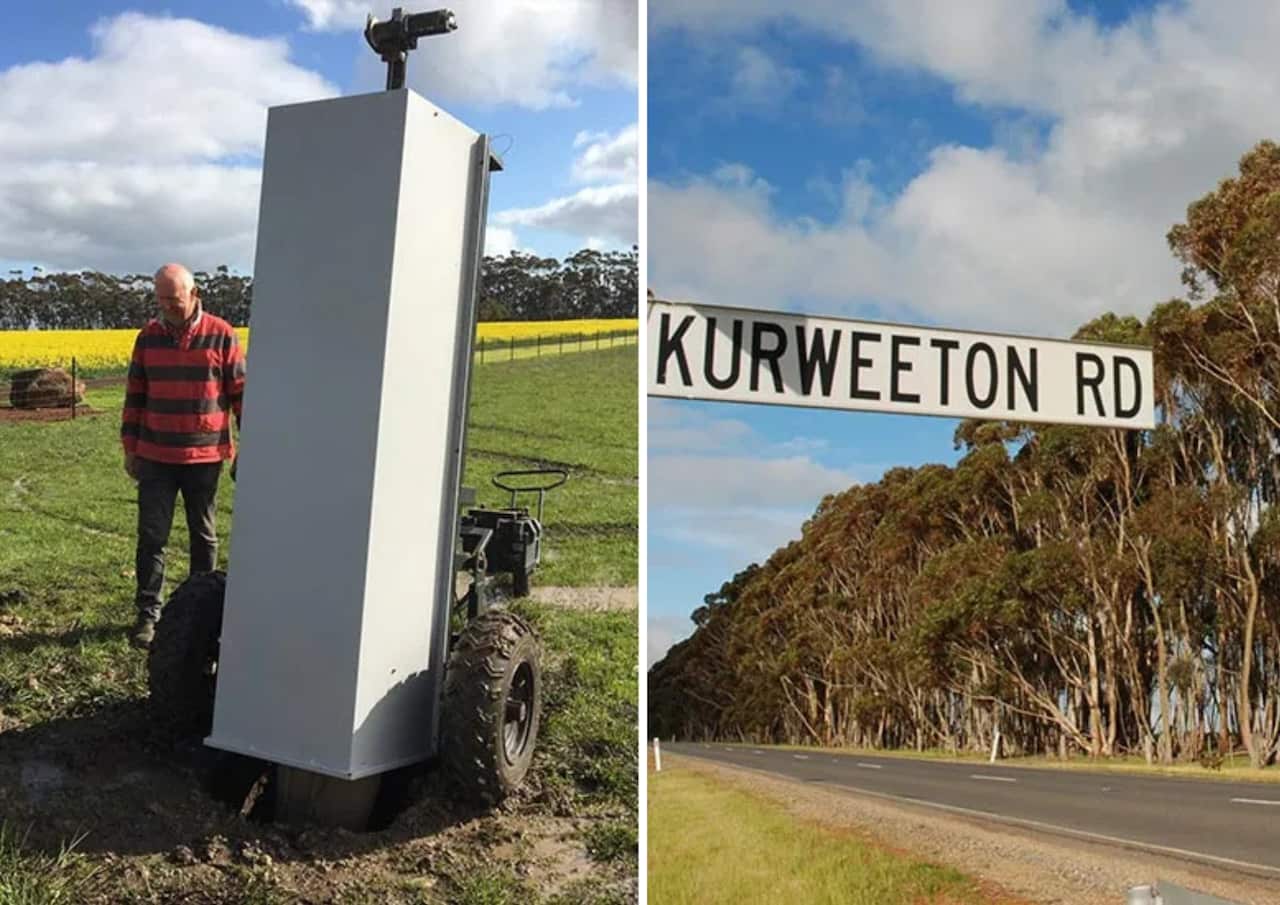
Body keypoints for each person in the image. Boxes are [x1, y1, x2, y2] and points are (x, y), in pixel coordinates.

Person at [121, 263, 245, 649]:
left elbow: (242, 395)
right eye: (160, 299)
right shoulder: (148, 337)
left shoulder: (222, 335)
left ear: (194, 295)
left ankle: (200, 615)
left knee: (203, 535)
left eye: (172, 299)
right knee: (152, 536)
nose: (166, 307)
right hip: (155, 455)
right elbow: (135, 394)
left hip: (205, 456)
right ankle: (148, 616)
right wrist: (130, 446)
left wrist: (249, 448)